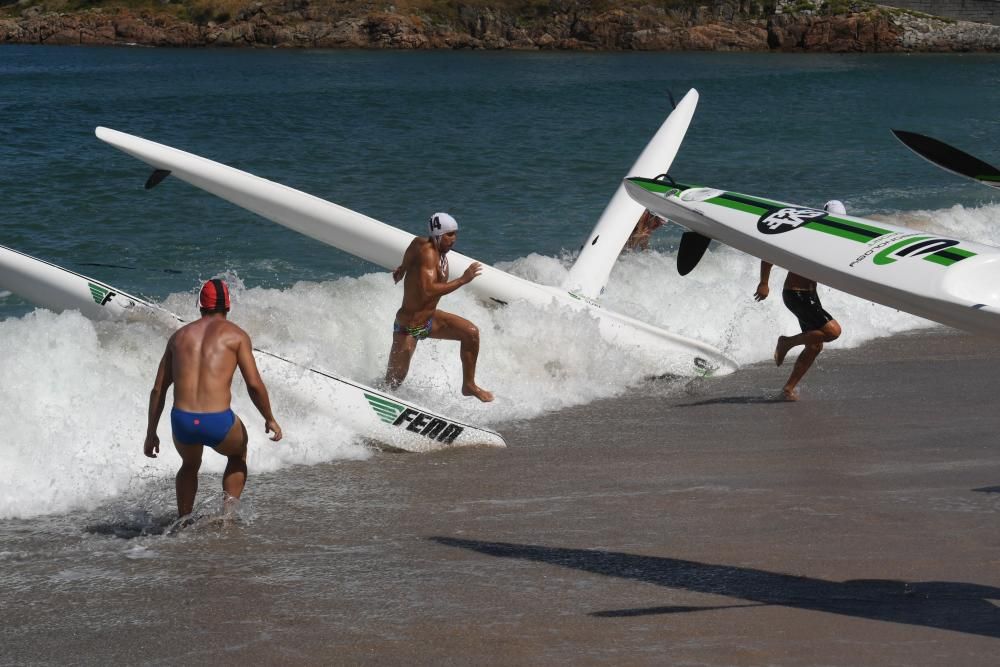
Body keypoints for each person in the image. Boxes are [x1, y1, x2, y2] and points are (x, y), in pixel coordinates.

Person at [143, 278, 282, 519]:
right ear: (228, 306)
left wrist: (151, 432)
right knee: (237, 455)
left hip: (183, 421)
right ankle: (227, 519)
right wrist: (269, 418)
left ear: (200, 305)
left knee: (189, 465)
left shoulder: (178, 337)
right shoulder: (237, 336)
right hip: (218, 422)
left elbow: (158, 389)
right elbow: (254, 384)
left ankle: (183, 521)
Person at [385, 212, 493, 402]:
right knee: (392, 384)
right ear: (438, 235)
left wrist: (402, 268)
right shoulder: (428, 254)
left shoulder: (422, 245)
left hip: (430, 320)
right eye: (449, 235)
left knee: (470, 333)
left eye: (455, 234)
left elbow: (410, 251)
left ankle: (469, 385)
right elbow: (428, 290)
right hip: (408, 328)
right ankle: (377, 404)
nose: (454, 239)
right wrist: (463, 279)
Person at [752, 200, 845, 401]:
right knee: (833, 332)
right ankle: (786, 342)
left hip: (810, 296)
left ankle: (788, 389)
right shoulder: (806, 235)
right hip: (796, 294)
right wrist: (764, 283)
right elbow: (770, 253)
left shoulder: (833, 239)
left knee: (815, 345)